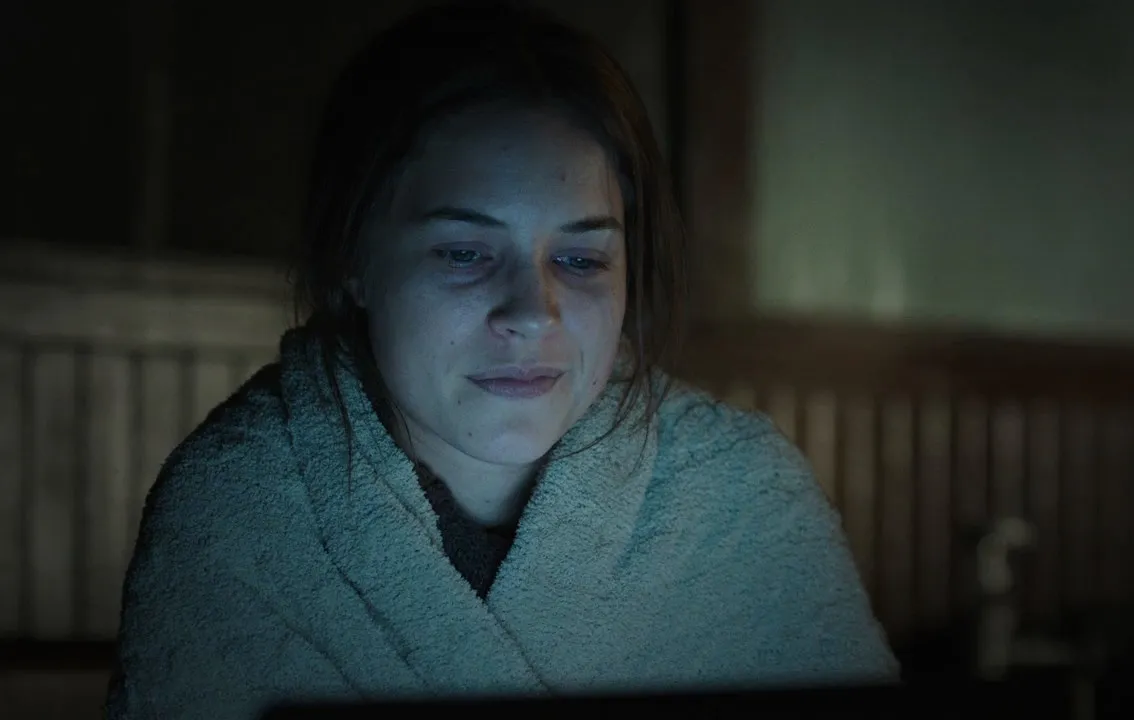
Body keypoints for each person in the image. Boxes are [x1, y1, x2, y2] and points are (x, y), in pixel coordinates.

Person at [105, 2, 896, 717]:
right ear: (354, 259)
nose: (532, 312)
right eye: (463, 253)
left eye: (582, 260)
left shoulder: (743, 499)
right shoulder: (237, 513)